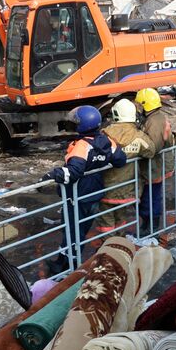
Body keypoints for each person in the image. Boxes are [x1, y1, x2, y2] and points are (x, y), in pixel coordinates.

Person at [45, 105, 126, 257]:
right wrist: (101, 161)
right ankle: (68, 258)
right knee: (82, 228)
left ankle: (67, 265)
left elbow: (74, 171)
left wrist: (51, 175)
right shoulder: (106, 141)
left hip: (77, 195)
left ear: (82, 125)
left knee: (73, 231)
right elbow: (121, 160)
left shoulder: (82, 145)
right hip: (95, 193)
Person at [99, 98, 151, 235]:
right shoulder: (138, 136)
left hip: (105, 188)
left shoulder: (104, 134)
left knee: (106, 220)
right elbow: (151, 150)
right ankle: (120, 241)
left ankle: (108, 246)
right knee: (120, 218)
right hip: (127, 189)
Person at [135, 88, 176, 235]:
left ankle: (151, 227)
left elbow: (152, 147)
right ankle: (149, 224)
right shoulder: (156, 117)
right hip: (156, 165)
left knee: (151, 198)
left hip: (155, 166)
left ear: (145, 104)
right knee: (151, 196)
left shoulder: (154, 121)